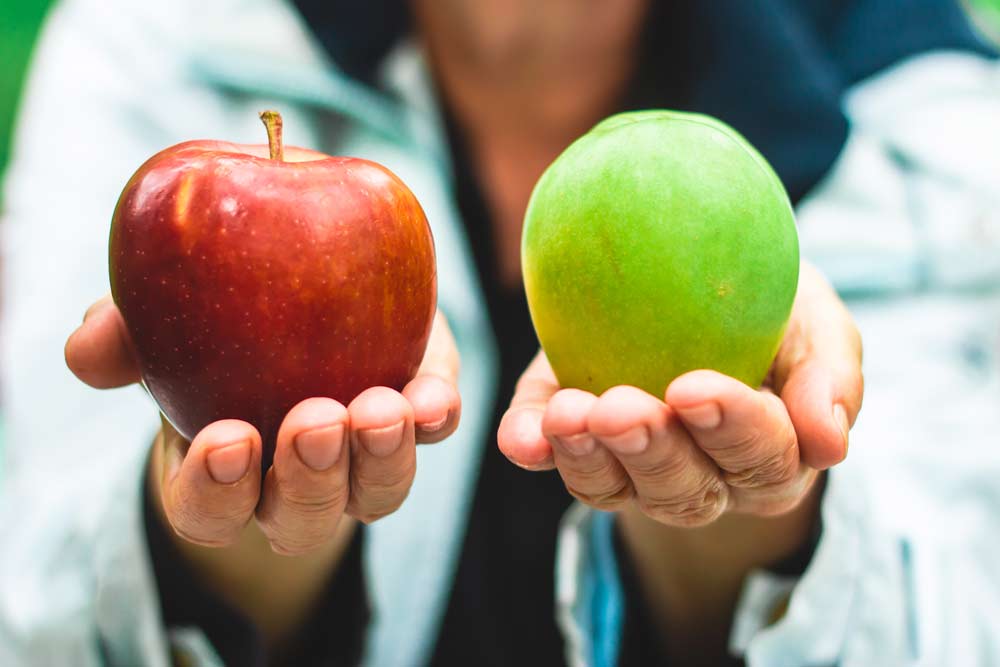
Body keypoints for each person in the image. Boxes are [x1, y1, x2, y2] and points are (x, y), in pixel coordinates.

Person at [1, 0, 998, 665]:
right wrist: (233, 528)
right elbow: (30, 614)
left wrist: (744, 502)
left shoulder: (925, 119)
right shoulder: (159, 41)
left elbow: (958, 629)